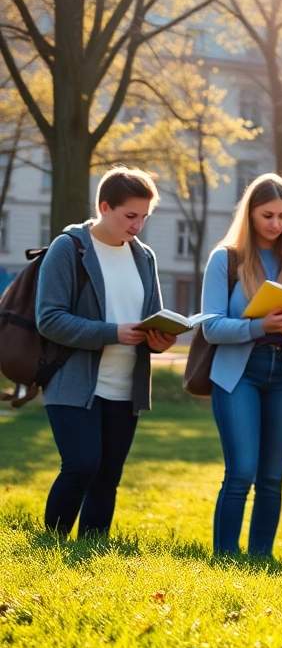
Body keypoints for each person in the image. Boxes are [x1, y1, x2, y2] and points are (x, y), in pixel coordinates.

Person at [36, 168, 175, 537]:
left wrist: (159, 339)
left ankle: (91, 551)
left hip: (124, 387)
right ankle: (51, 544)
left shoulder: (144, 257)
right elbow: (49, 319)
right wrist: (112, 333)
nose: (138, 225)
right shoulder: (70, 248)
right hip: (73, 382)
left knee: (107, 477)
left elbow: (151, 319)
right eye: (131, 216)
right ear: (104, 207)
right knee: (81, 465)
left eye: (144, 217)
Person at [201, 173, 282, 557]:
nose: (276, 224)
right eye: (267, 215)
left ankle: (260, 557)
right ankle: (225, 557)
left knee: (271, 478)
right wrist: (261, 326)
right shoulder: (227, 258)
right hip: (239, 374)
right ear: (250, 214)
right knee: (241, 473)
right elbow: (211, 326)